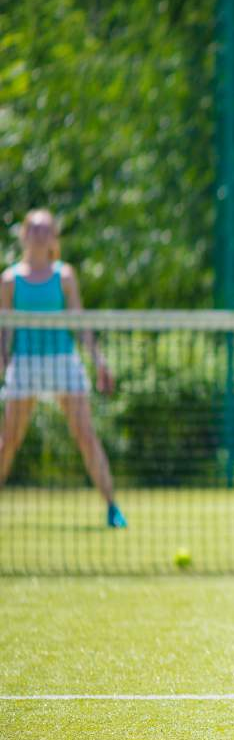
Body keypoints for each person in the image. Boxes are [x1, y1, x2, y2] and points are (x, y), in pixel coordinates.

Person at [0, 209, 126, 528]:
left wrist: (98, 361)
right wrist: (3, 363)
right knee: (9, 441)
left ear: (54, 237)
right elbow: (4, 331)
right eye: (35, 229)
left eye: (47, 230)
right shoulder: (9, 280)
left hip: (62, 363)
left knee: (85, 435)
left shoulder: (65, 275)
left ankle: (112, 507)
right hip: (25, 364)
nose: (41, 235)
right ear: (24, 235)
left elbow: (79, 323)